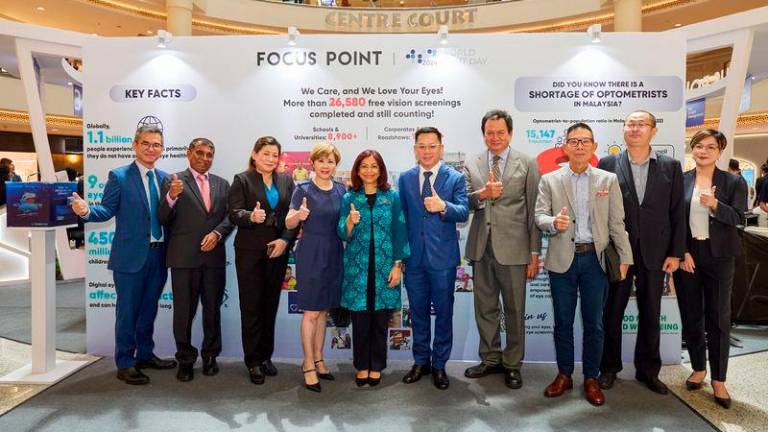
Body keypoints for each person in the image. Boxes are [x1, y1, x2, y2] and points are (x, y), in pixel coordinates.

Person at [534, 123, 633, 406]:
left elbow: (617, 223)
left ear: (593, 146)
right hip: (562, 259)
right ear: (565, 147)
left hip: (596, 260)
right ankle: (564, 374)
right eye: (573, 141)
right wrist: (554, 222)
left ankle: (591, 376)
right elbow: (539, 216)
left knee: (595, 324)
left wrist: (625, 258)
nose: (579, 146)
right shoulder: (550, 180)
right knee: (563, 322)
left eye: (584, 141)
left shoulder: (607, 180)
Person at [70, 125, 177, 385]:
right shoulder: (119, 176)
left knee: (149, 309)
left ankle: (146, 354)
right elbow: (105, 211)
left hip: (159, 255)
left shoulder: (165, 179)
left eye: (156, 145)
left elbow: (170, 216)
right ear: (135, 145)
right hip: (130, 258)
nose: (151, 148)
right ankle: (126, 362)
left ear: (162, 149)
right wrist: (85, 211)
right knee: (127, 311)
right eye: (146, 143)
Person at [597, 110, 685, 395]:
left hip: (656, 253)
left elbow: (677, 213)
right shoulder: (608, 163)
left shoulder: (670, 166)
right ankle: (608, 368)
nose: (635, 129)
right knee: (612, 312)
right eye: (630, 124)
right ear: (623, 129)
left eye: (641, 124)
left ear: (653, 131)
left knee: (651, 311)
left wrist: (676, 252)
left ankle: (648, 371)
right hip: (618, 252)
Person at [463, 109, 542, 390]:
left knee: (514, 310)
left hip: (515, 250)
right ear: (483, 134)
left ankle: (512, 363)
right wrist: (482, 195)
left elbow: (534, 210)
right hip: (481, 248)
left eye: (500, 132)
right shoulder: (472, 162)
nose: (494, 137)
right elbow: (466, 203)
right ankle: (490, 358)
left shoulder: (528, 163)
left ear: (509, 133)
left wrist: (535, 253)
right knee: (485, 307)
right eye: (489, 132)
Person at [673, 129, 747, 409]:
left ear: (720, 151)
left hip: (720, 257)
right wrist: (682, 252)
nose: (703, 151)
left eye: (710, 147)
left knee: (718, 318)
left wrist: (715, 204)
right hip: (690, 256)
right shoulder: (681, 181)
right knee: (692, 315)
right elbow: (675, 221)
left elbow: (739, 218)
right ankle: (698, 368)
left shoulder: (733, 181)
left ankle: (719, 379)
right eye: (698, 146)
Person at [157, 138, 234, 382]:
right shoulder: (173, 180)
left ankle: (210, 356)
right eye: (199, 153)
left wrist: (218, 233)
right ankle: (186, 360)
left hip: (214, 258)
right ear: (189, 153)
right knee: (184, 313)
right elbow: (162, 217)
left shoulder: (223, 184)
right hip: (184, 259)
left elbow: (230, 217)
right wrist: (171, 197)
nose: (204, 158)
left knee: (212, 311)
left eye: (209, 154)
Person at [398, 127, 468, 390]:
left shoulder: (455, 178)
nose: (426, 151)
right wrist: (400, 255)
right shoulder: (405, 178)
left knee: (444, 313)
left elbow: (463, 212)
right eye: (421, 146)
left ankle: (439, 364)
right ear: (415, 149)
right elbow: (402, 218)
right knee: (417, 313)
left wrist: (444, 207)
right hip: (414, 259)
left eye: (431, 146)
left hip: (443, 260)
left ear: (440, 147)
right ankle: (421, 361)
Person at [338, 150, 409, 387]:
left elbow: (400, 233)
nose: (369, 170)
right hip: (357, 269)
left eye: (374, 166)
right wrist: (350, 222)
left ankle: (376, 365)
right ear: (357, 170)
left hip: (384, 267)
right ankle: (362, 365)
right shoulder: (350, 198)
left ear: (381, 170)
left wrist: (398, 265)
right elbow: (341, 232)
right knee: (359, 320)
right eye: (364, 166)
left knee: (379, 319)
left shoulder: (392, 197)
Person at [229, 136, 296, 385]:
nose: (270, 159)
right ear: (255, 155)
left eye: (274, 155)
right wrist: (250, 216)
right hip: (249, 252)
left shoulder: (286, 180)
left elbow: (293, 214)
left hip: (277, 251)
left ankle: (266, 357)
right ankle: (253, 360)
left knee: (270, 306)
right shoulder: (242, 180)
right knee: (252, 307)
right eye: (265, 153)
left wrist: (285, 241)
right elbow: (234, 213)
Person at [285, 142, 345, 392]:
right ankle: (308, 363)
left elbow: (344, 226)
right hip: (310, 251)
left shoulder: (342, 190)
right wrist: (299, 216)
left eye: (330, 161)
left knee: (323, 311)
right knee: (311, 311)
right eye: (321, 160)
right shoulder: (302, 189)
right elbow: (289, 223)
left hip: (334, 252)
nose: (325, 165)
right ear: (313, 163)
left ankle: (319, 358)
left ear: (335, 165)